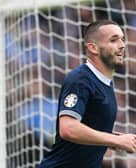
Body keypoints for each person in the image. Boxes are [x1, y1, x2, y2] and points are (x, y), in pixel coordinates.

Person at [38, 20, 136, 168]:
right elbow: (68, 128)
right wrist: (115, 140)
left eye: (122, 39)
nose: (122, 45)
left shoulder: (104, 82)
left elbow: (87, 126)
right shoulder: (80, 79)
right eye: (113, 40)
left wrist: (114, 139)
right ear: (93, 48)